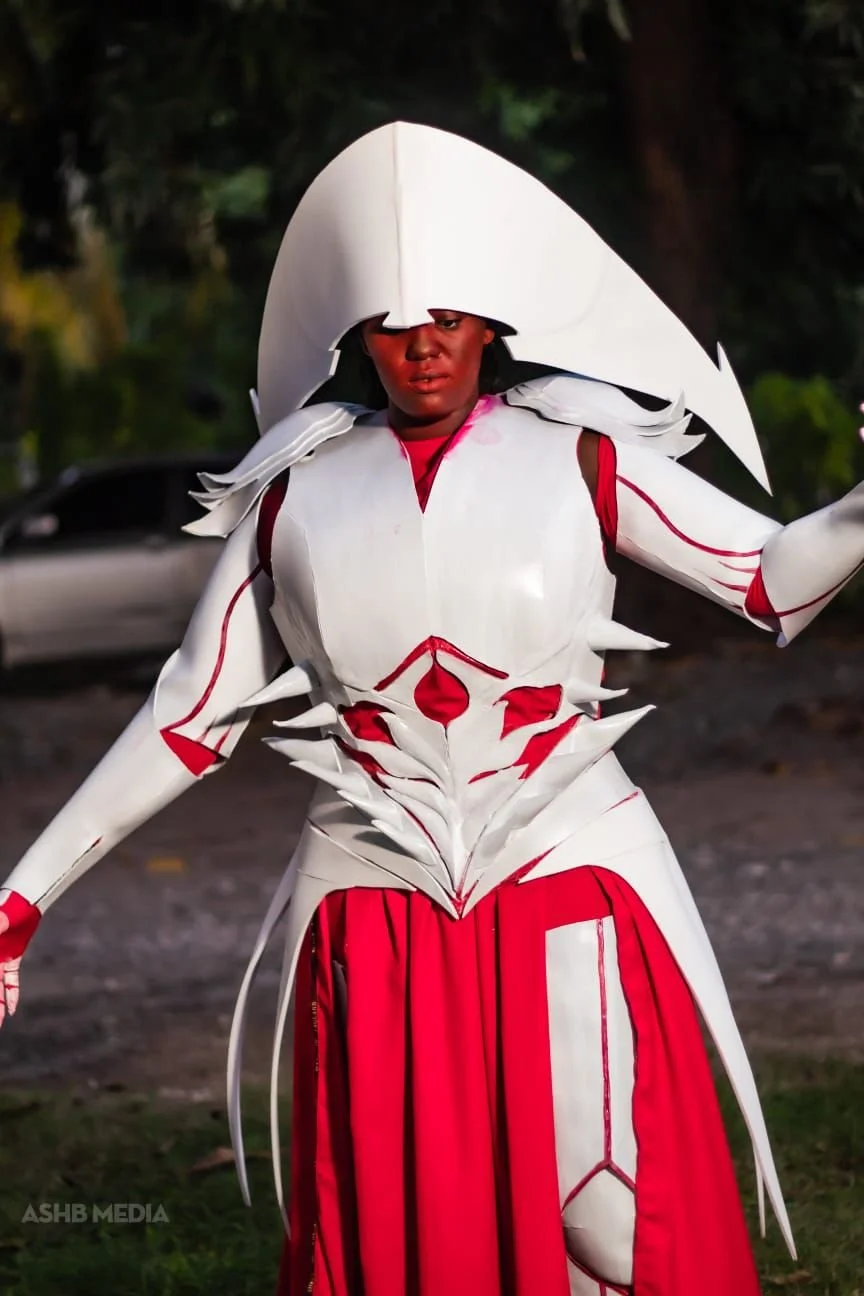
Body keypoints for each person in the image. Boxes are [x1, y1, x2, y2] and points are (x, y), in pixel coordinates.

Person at [1, 122, 862, 1296]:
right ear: (361, 332)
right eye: (397, 326)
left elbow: (765, 578)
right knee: (406, 1242)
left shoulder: (582, 453)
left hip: (567, 871)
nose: (423, 348)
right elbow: (188, 715)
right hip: (378, 904)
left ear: (492, 321)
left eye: (448, 319)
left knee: (614, 1226)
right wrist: (21, 899)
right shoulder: (291, 490)